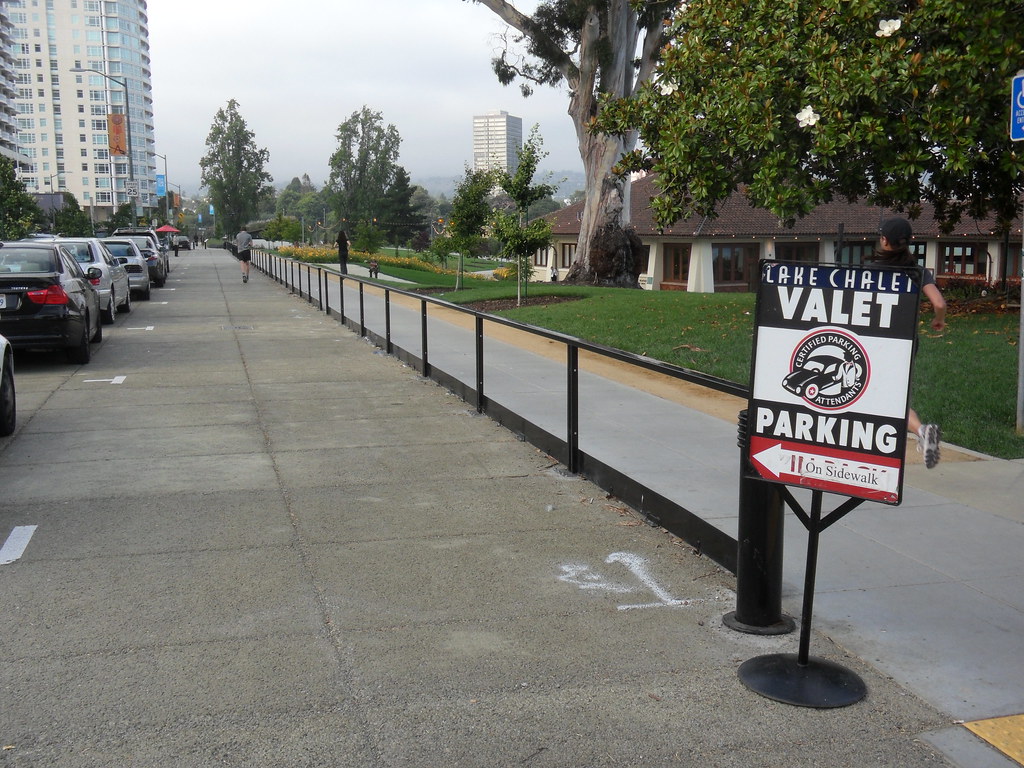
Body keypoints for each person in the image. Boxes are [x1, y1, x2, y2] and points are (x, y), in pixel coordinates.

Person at [872, 217, 946, 468]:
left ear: (884, 240)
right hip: (905, 343)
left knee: (879, 396)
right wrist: (939, 321)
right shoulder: (918, 272)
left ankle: (919, 431)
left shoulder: (873, 270)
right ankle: (920, 431)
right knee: (892, 394)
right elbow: (939, 304)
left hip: (875, 341)